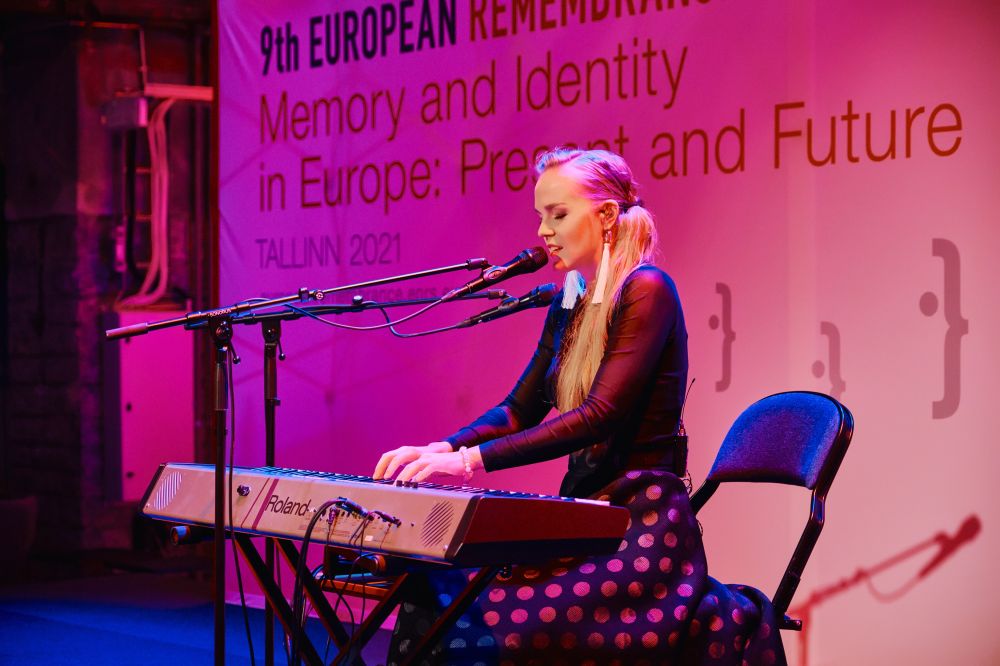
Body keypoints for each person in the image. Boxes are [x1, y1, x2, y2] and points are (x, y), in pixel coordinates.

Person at [374, 148, 787, 665]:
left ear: (608, 215)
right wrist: (444, 446)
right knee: (435, 589)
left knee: (500, 619)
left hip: (642, 527)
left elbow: (599, 414)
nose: (544, 231)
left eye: (559, 214)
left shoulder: (647, 291)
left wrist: (464, 464)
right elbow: (518, 410)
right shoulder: (569, 299)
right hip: (586, 517)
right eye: (541, 216)